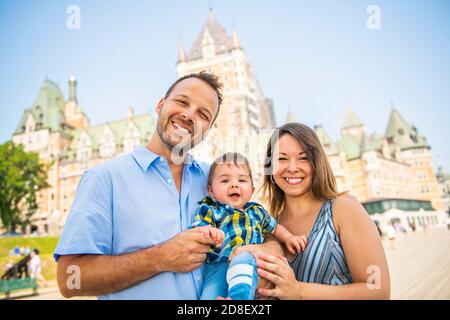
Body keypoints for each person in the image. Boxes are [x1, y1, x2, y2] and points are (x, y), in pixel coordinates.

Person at [54, 72, 283, 299]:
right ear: (160, 105)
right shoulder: (103, 179)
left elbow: (262, 225)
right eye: (182, 102)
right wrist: (160, 258)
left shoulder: (218, 179)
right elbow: (69, 280)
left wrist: (265, 250)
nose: (189, 115)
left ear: (208, 131)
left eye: (203, 114)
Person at [242, 122, 390, 299]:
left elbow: (378, 291)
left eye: (303, 158)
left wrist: (299, 291)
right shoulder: (271, 226)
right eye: (281, 159)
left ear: (316, 163)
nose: (292, 167)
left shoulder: (344, 209)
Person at [191, 152, 307, 300]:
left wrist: (289, 238)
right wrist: (208, 231)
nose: (234, 184)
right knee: (210, 295)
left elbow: (275, 228)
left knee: (242, 266)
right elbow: (199, 227)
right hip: (218, 264)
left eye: (242, 180)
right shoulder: (211, 209)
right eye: (225, 181)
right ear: (211, 190)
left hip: (249, 259)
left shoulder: (257, 211)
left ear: (252, 190)